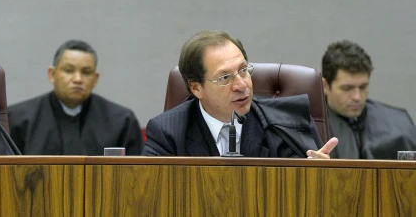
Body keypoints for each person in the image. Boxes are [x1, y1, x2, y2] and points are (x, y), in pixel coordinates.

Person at [143, 31, 337, 158]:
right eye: (225, 77)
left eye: (243, 70)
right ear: (196, 88)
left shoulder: (289, 124)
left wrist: (319, 176)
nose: (242, 85)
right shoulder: (166, 132)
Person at [8, 39, 143, 155]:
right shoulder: (18, 119)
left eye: (86, 72)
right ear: (52, 74)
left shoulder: (121, 121)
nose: (78, 79)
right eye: (68, 70)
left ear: (95, 79)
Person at [322, 40, 416, 159]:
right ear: (325, 85)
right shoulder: (307, 127)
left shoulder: (400, 126)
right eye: (347, 88)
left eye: (363, 87)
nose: (357, 97)